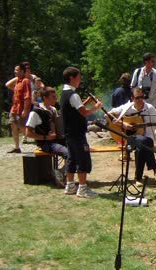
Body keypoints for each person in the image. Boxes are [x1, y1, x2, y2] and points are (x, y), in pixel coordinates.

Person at [60, 67, 102, 198]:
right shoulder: (73, 95)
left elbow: (75, 109)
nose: (80, 80)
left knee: (72, 158)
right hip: (77, 133)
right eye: (79, 77)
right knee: (82, 158)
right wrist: (96, 107)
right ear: (72, 78)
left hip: (69, 132)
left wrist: (86, 102)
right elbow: (83, 112)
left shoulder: (65, 93)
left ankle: (70, 186)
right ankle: (82, 188)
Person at [109, 88, 156, 184]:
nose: (140, 99)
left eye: (142, 97)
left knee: (141, 147)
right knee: (143, 142)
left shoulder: (149, 108)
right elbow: (108, 114)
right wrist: (123, 124)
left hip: (147, 137)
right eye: (137, 98)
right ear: (132, 98)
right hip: (129, 139)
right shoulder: (127, 108)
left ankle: (138, 178)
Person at [25, 87, 69, 186]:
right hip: (46, 143)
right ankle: (60, 173)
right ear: (45, 97)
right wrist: (45, 138)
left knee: (77, 149)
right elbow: (28, 133)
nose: (55, 99)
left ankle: (62, 173)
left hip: (58, 140)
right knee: (68, 153)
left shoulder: (53, 109)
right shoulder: (36, 112)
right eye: (53, 97)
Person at [6, 63, 31, 153]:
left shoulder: (25, 81)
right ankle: (17, 147)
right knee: (13, 125)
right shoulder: (17, 81)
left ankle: (38, 140)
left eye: (16, 70)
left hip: (21, 108)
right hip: (14, 107)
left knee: (22, 127)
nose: (14, 71)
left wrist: (25, 109)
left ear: (22, 71)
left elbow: (27, 97)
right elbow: (7, 84)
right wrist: (17, 77)